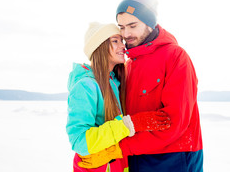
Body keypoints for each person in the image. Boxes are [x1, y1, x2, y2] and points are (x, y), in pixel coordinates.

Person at [66, 22, 171, 172]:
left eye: (121, 41)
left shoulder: (115, 82)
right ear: (99, 47)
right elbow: (79, 141)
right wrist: (128, 124)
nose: (123, 46)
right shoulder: (85, 86)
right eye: (115, 41)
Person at [116, 0, 204, 172]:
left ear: (149, 23)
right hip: (136, 157)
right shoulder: (128, 64)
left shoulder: (175, 57)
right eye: (122, 27)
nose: (126, 34)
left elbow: (174, 121)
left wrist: (122, 147)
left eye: (133, 26)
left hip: (173, 158)